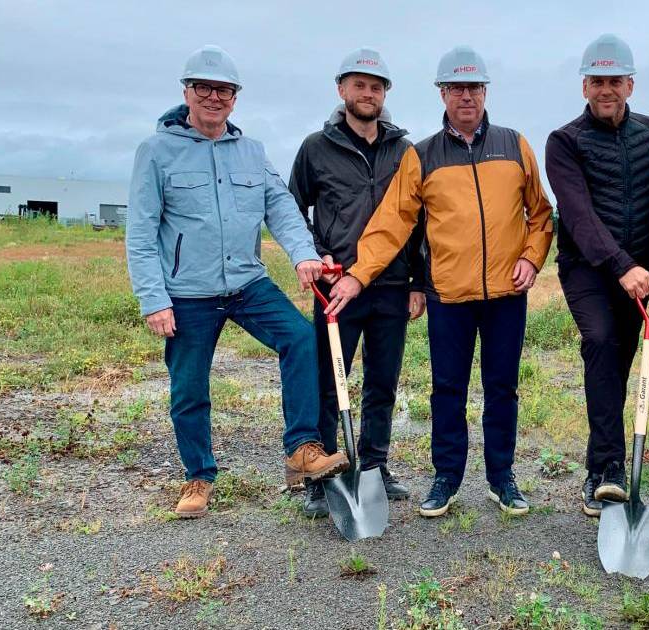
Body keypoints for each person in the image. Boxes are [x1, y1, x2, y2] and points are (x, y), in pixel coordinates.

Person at [323, 46, 554, 518]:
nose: (465, 97)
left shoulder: (515, 145)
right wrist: (357, 276)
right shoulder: (422, 155)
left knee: (502, 387)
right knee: (447, 388)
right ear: (443, 94)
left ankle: (501, 478)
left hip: (507, 294)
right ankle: (446, 478)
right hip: (449, 295)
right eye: (455, 89)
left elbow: (541, 213)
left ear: (485, 91)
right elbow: (393, 223)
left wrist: (532, 259)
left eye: (473, 88)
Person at [126, 45, 346, 519]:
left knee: (301, 339)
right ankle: (198, 476)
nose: (213, 96)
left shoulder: (252, 151)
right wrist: (153, 298)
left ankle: (301, 451)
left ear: (234, 97)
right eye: (203, 87)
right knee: (189, 386)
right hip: (187, 293)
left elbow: (282, 207)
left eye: (223, 89)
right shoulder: (156, 151)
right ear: (187, 92)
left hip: (247, 284)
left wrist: (304, 254)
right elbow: (141, 231)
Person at [288, 47, 425, 518]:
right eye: (359, 85)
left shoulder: (405, 151)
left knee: (382, 383)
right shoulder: (315, 148)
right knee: (329, 382)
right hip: (337, 286)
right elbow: (292, 209)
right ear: (341, 90)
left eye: (377, 86)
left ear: (385, 94)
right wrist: (312, 254)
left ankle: (375, 466)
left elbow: (417, 220)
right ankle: (323, 472)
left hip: (390, 284)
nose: (368, 93)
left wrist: (417, 283)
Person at [545, 34, 649, 517]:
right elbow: (577, 214)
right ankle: (607, 468)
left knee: (618, 363)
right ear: (584, 87)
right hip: (589, 269)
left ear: (630, 84)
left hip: (640, 270)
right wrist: (623, 266)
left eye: (614, 80)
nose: (606, 89)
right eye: (597, 81)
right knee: (599, 341)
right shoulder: (565, 141)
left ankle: (603, 461)